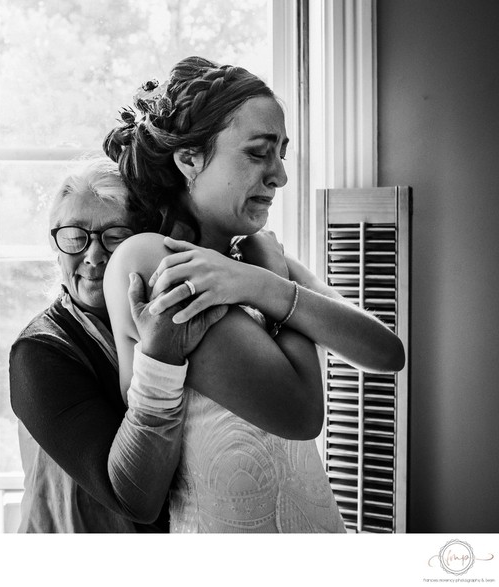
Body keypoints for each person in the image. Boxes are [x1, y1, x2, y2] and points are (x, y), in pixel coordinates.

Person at [102, 56, 405, 532]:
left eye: (282, 153)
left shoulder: (257, 260)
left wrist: (260, 281)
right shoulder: (152, 260)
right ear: (190, 159)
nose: (280, 175)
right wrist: (268, 283)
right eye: (259, 152)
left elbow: (387, 353)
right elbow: (301, 413)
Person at [8, 157, 229, 532]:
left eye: (115, 235)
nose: (93, 256)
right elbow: (133, 499)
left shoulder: (178, 317)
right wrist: (161, 358)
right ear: (55, 245)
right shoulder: (38, 352)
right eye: (75, 236)